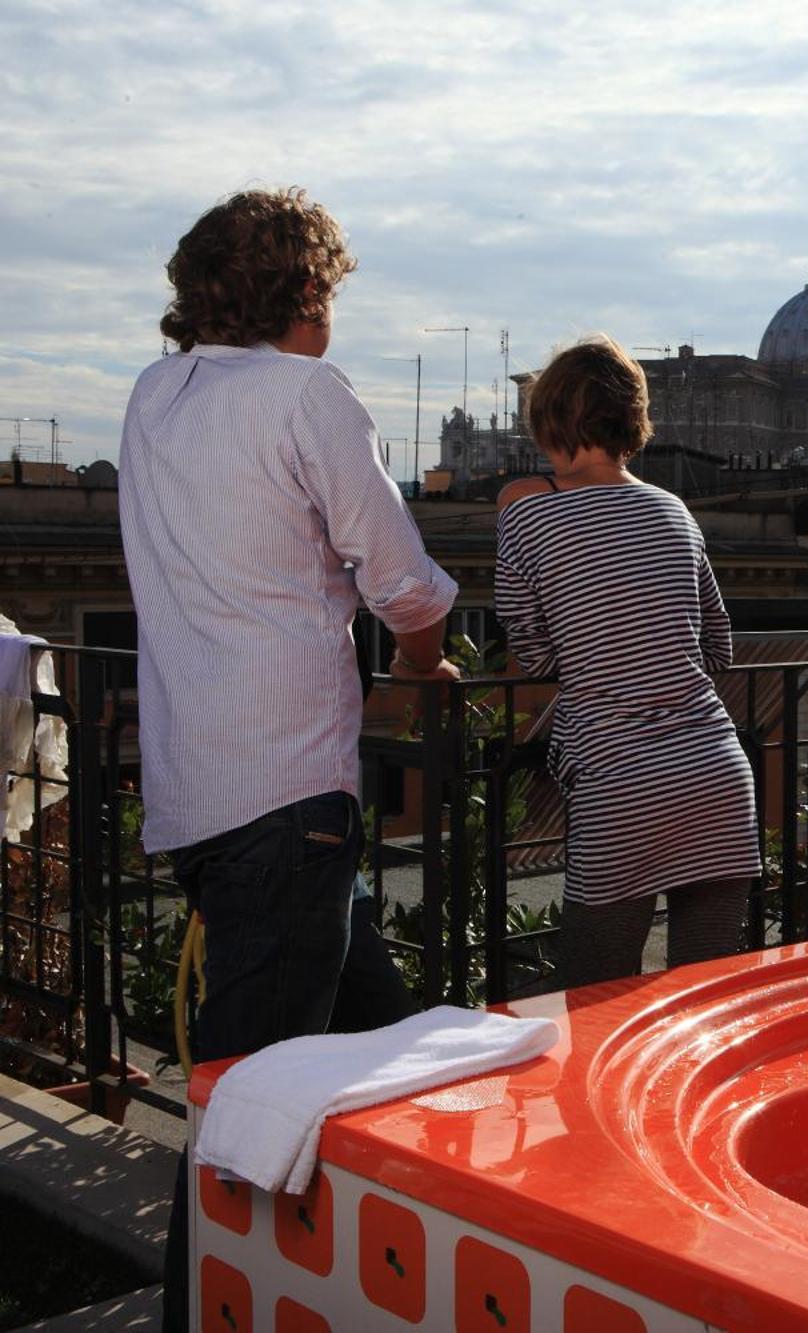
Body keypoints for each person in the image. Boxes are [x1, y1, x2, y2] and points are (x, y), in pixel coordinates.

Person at [119, 187, 461, 1332]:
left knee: (387, 1039)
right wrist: (426, 657)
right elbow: (398, 574)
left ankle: (403, 1280)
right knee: (244, 1106)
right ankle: (201, 1309)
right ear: (302, 293)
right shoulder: (308, 393)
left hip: (200, 790)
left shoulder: (154, 394)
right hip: (288, 788)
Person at [494, 336, 758, 988]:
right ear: (633, 422)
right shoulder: (676, 510)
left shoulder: (526, 513)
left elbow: (531, 651)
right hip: (718, 778)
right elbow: (718, 646)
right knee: (706, 1004)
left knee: (597, 1002)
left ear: (549, 420)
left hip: (621, 784)